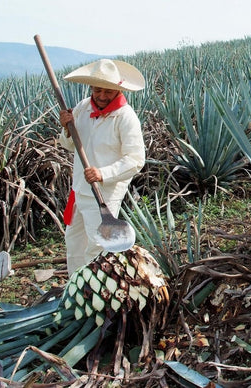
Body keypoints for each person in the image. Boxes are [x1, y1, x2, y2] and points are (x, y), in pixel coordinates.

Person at [58, 59, 146, 275]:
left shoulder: (125, 117)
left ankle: (94, 292)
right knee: (74, 242)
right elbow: (69, 146)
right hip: (79, 188)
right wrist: (67, 129)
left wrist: (103, 173)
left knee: (97, 247)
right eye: (98, 90)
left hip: (104, 193)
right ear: (91, 88)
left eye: (108, 91)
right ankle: (74, 288)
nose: (102, 96)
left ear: (118, 89)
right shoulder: (82, 107)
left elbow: (136, 159)